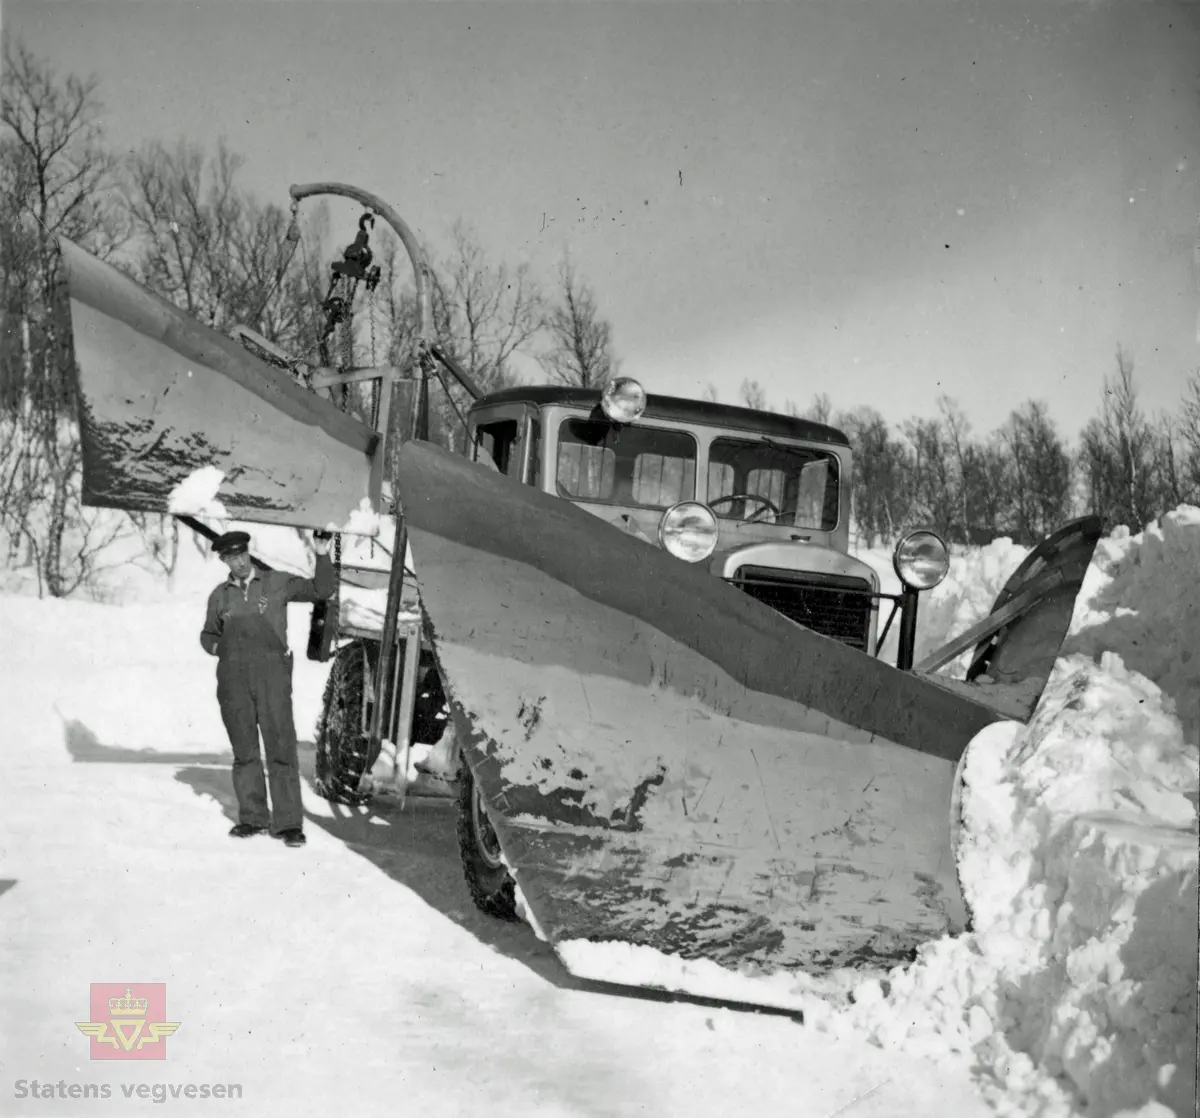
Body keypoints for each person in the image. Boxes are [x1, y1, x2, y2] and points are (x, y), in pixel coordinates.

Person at [200, 529, 336, 847]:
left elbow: (322, 589)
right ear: (224, 560)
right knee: (244, 751)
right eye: (232, 558)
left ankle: (288, 824)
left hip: (272, 680)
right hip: (233, 682)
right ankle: (253, 818)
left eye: (243, 555)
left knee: (281, 748)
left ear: (249, 552)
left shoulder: (276, 583)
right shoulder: (219, 596)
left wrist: (321, 552)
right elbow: (208, 634)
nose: (240, 562)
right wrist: (219, 649)